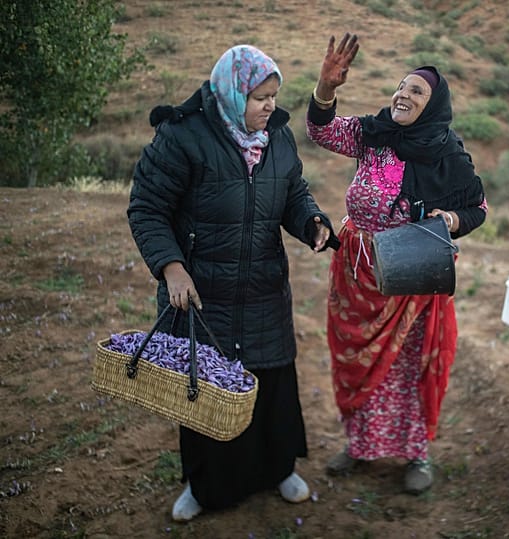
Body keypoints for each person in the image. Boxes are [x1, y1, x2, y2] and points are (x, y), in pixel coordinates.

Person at [127, 44, 340, 521]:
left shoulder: (277, 137)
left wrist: (312, 223)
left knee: (270, 385)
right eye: (260, 97)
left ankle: (279, 469)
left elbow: (294, 194)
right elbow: (147, 208)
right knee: (205, 391)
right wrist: (171, 266)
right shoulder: (183, 136)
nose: (270, 106)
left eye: (273, 95)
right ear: (231, 91)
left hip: (263, 289)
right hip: (203, 295)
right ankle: (204, 487)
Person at [305, 34, 487, 494]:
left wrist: (452, 219)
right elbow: (321, 130)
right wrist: (326, 87)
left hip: (410, 276)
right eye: (400, 88)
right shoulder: (374, 134)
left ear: (434, 104)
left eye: (416, 91)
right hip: (356, 270)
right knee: (356, 358)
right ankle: (361, 443)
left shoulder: (447, 153)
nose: (403, 95)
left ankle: (416, 454)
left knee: (408, 364)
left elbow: (476, 207)